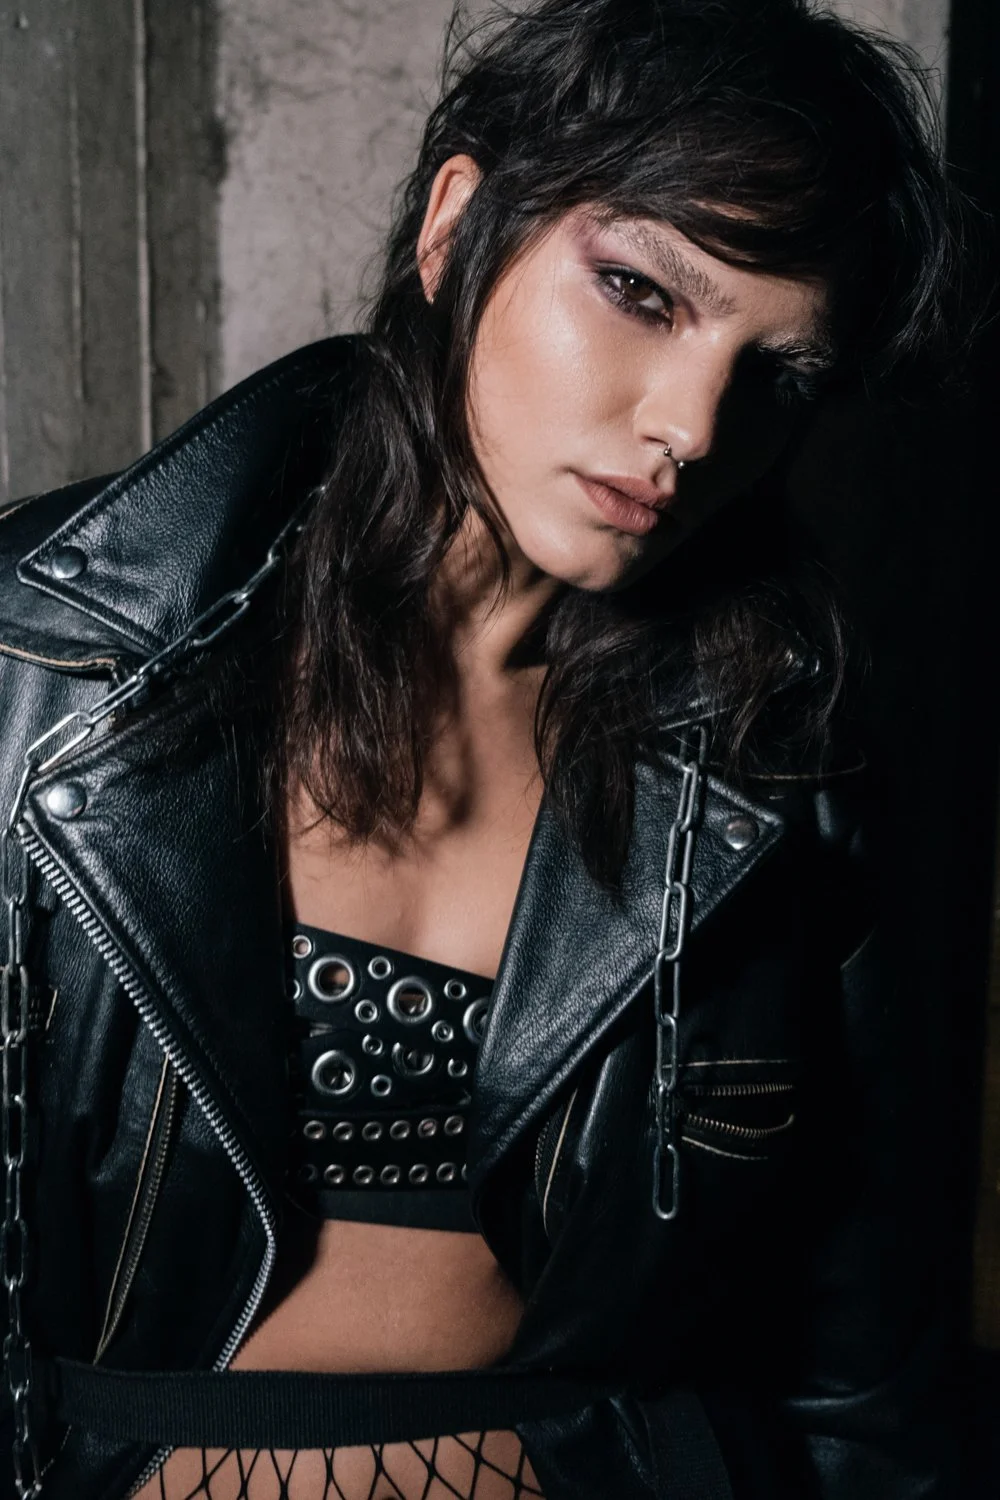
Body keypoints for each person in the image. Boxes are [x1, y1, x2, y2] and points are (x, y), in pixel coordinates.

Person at [0, 0, 971, 1496]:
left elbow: (855, 1370)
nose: (693, 424)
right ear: (457, 228)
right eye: (640, 291)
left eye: (776, 370)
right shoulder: (44, 658)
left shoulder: (772, 768)